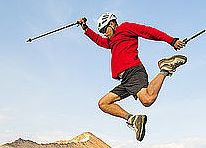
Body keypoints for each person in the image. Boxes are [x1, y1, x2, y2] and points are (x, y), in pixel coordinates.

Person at [78, 13, 187, 141]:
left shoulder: (125, 28)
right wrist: (85, 28)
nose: (103, 33)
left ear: (112, 23)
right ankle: (132, 119)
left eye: (104, 29)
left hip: (134, 71)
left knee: (147, 99)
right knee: (103, 103)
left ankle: (165, 68)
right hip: (125, 81)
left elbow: (149, 32)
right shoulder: (112, 41)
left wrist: (171, 40)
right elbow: (99, 41)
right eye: (101, 31)